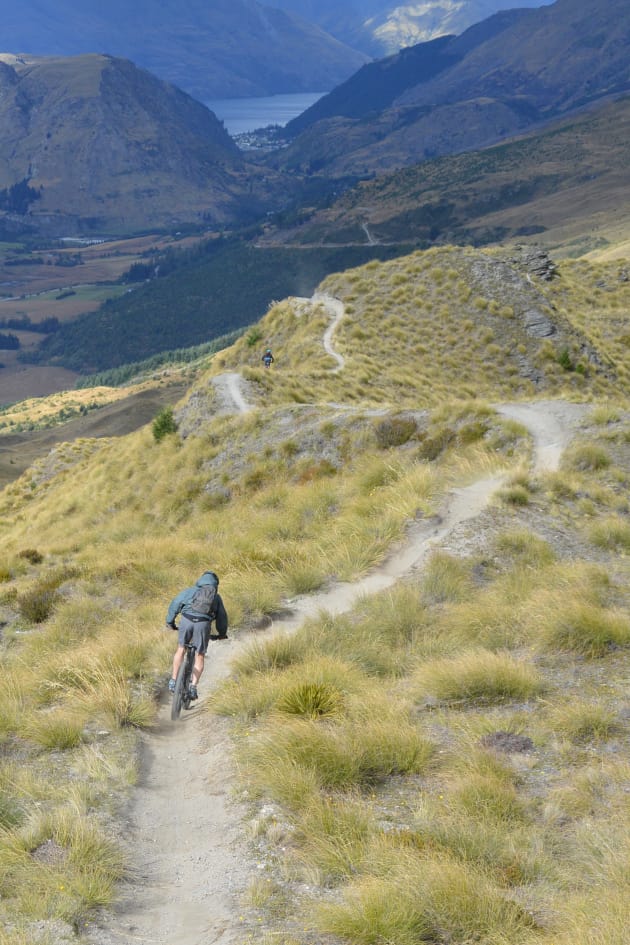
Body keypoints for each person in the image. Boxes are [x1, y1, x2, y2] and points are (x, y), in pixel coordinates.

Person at [165, 570, 228, 700]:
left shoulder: (189, 591)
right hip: (203, 625)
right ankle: (193, 687)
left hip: (186, 621)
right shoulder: (215, 597)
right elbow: (222, 617)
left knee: (181, 649)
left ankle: (173, 680)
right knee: (199, 655)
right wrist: (222, 634)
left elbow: (175, 604)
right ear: (215, 584)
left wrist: (170, 622)